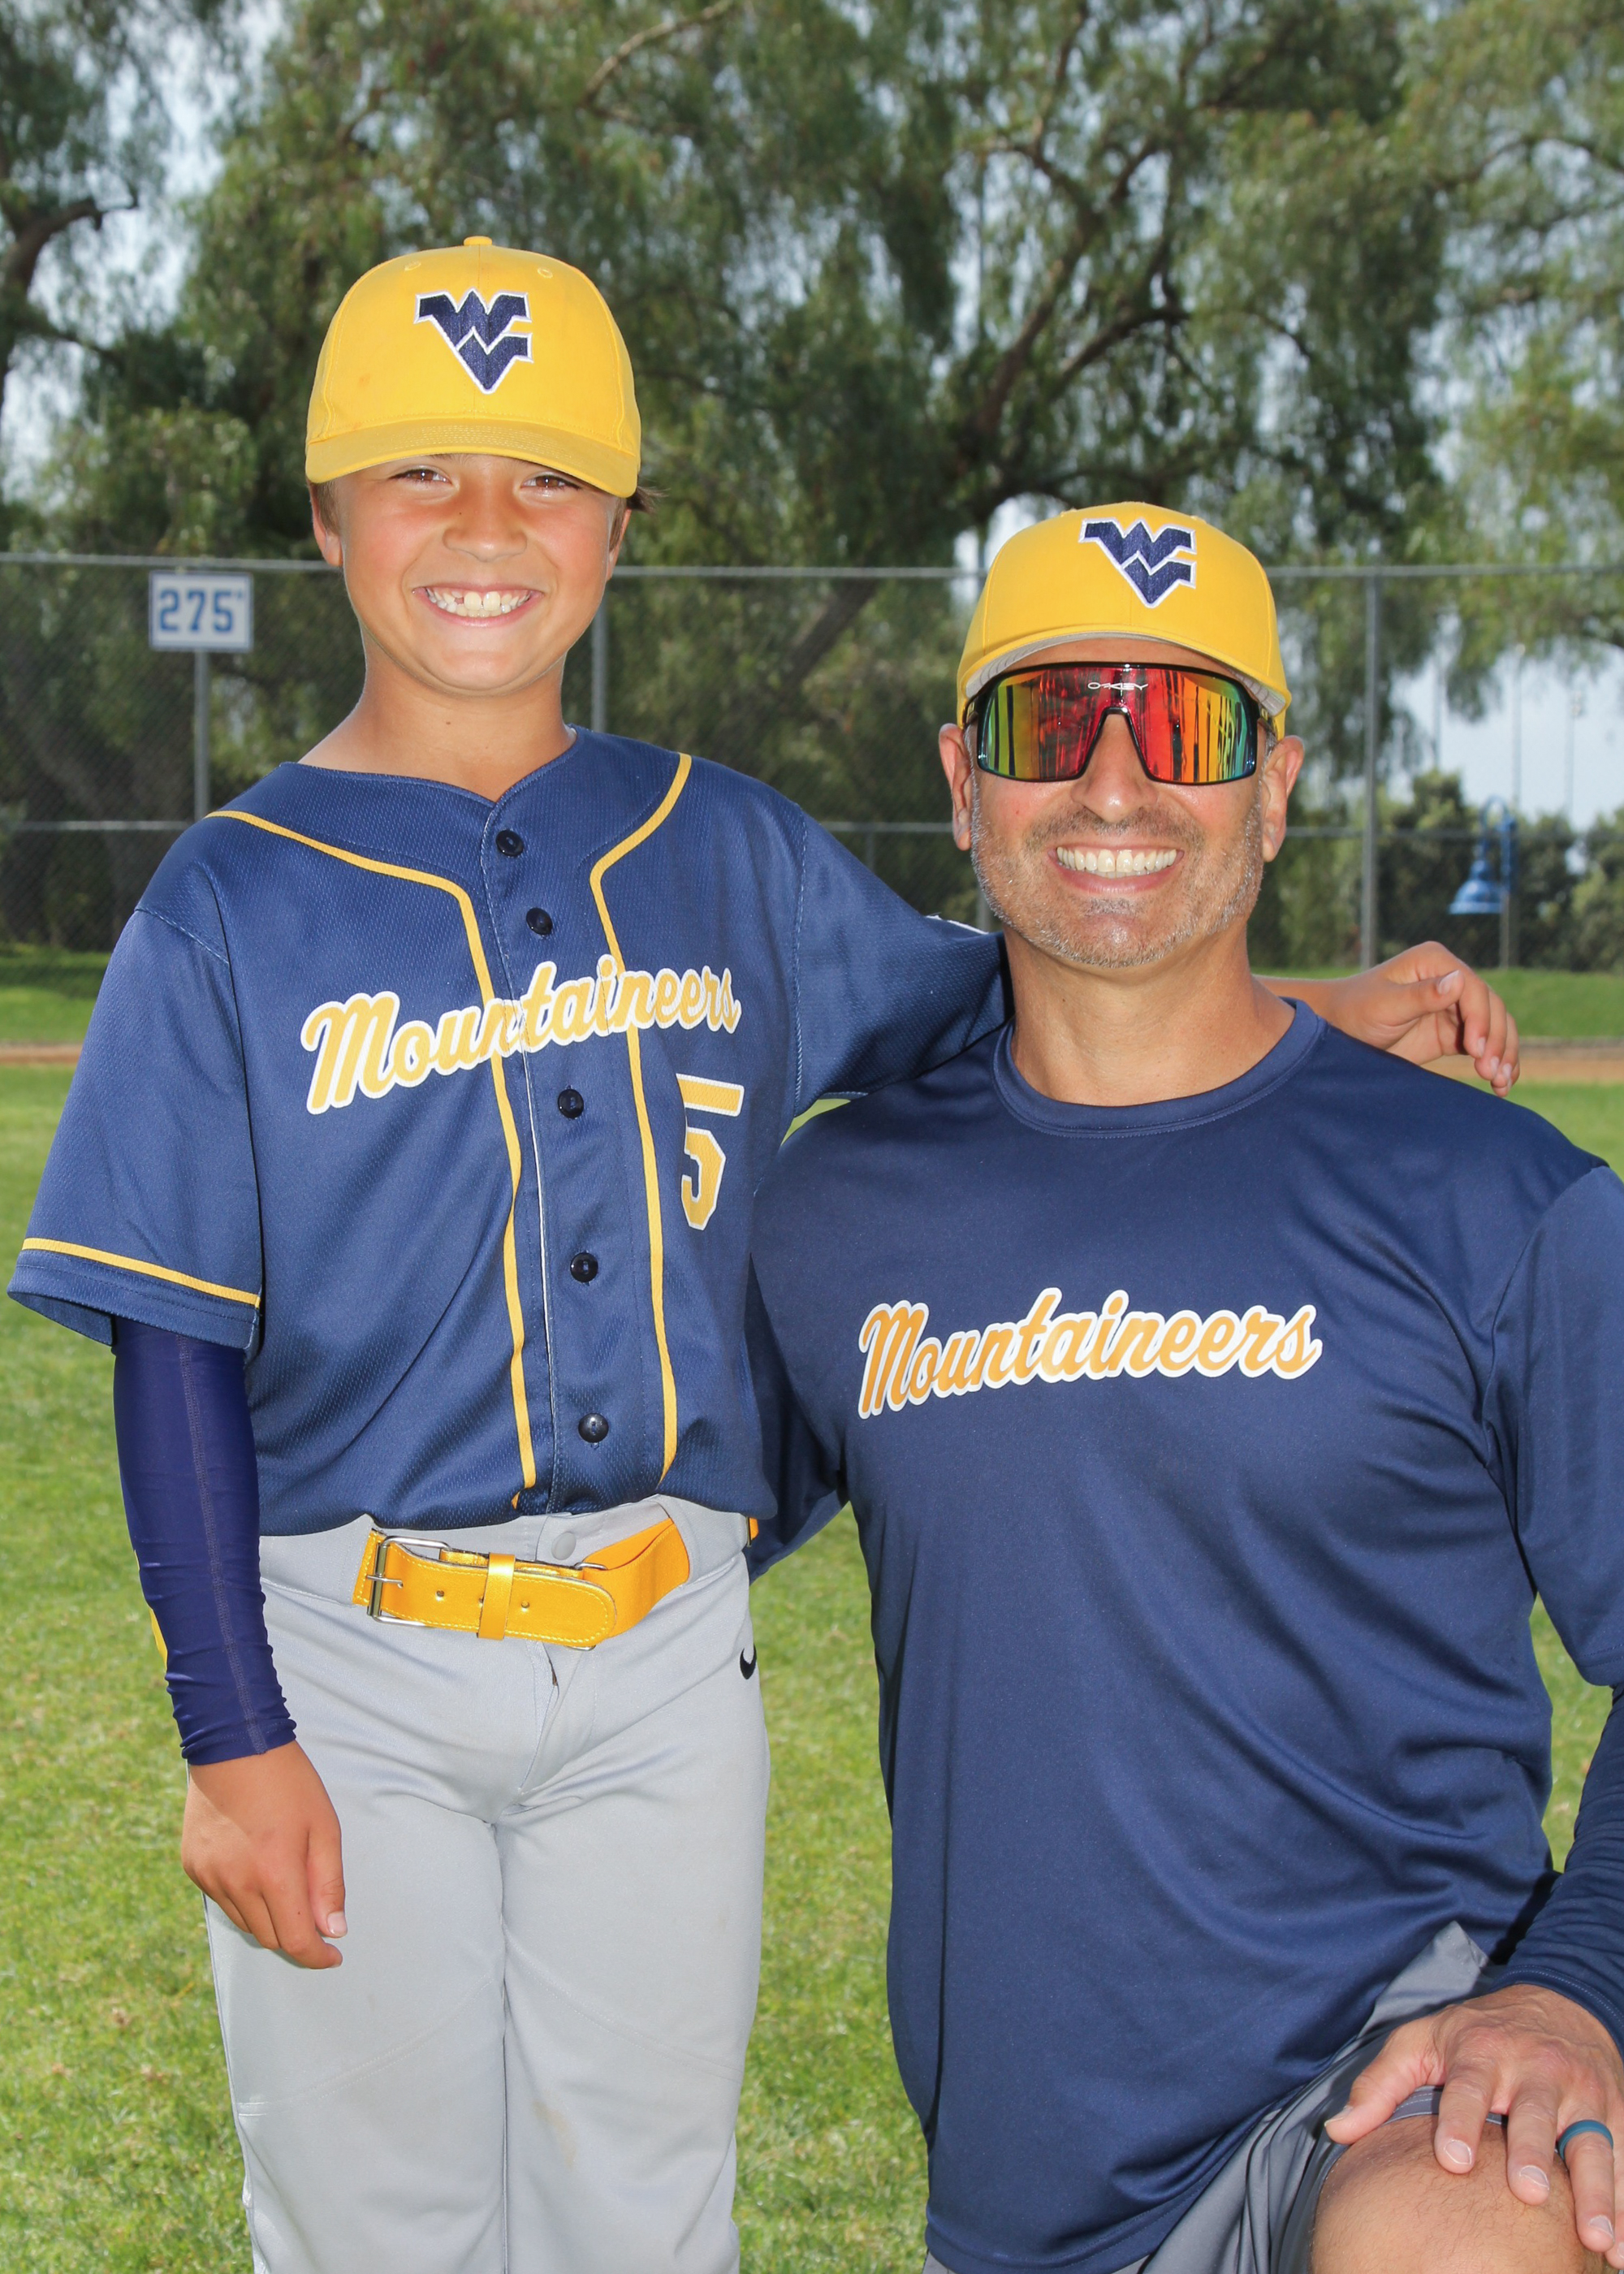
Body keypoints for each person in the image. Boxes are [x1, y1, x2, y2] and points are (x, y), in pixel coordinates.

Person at [10, 237, 1513, 2274]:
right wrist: (230, 1731)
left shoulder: (719, 842)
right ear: (329, 516)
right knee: (378, 2227)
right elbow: (171, 1342)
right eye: (421, 471)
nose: (484, 527)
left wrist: (1306, 1008)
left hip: (662, 1660)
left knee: (651, 2213)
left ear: (620, 525)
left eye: (546, 478)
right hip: (351, 1651)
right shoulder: (226, 899)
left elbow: (1012, 993)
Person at [746, 504, 1624, 2274]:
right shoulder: (834, 1208)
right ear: (964, 781)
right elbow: (638, 1517)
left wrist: (1576, 1991)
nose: (1116, 780)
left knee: (1476, 2232)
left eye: (1185, 723)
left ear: (1274, 787)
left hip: (1390, 2089)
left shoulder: (1496, 1202)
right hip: (1026, 2184)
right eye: (1051, 719)